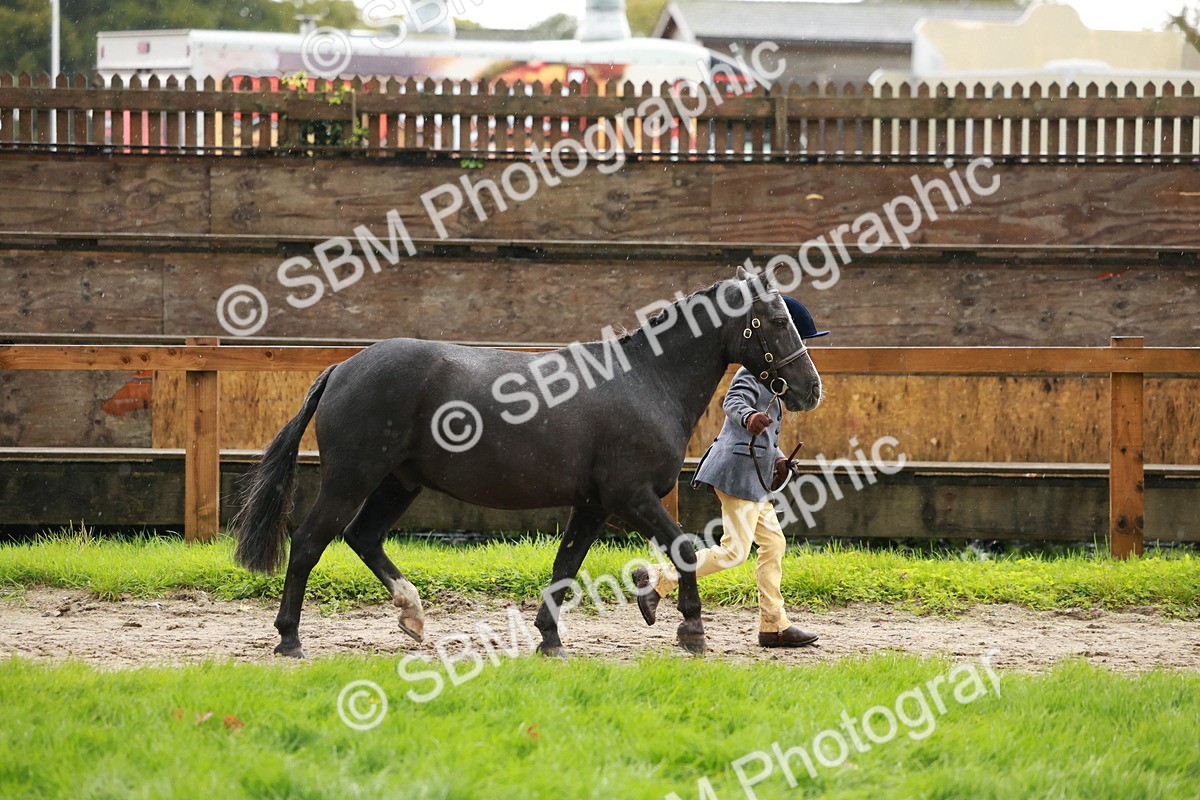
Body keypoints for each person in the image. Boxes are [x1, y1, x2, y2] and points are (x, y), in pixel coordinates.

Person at [633, 296, 829, 648]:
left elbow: (766, 439)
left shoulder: (776, 381)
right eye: (801, 343)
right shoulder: (751, 373)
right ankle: (657, 579)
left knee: (773, 543)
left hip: (754, 476)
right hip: (738, 473)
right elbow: (733, 403)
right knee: (734, 552)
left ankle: (774, 624)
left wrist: (780, 460)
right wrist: (749, 417)